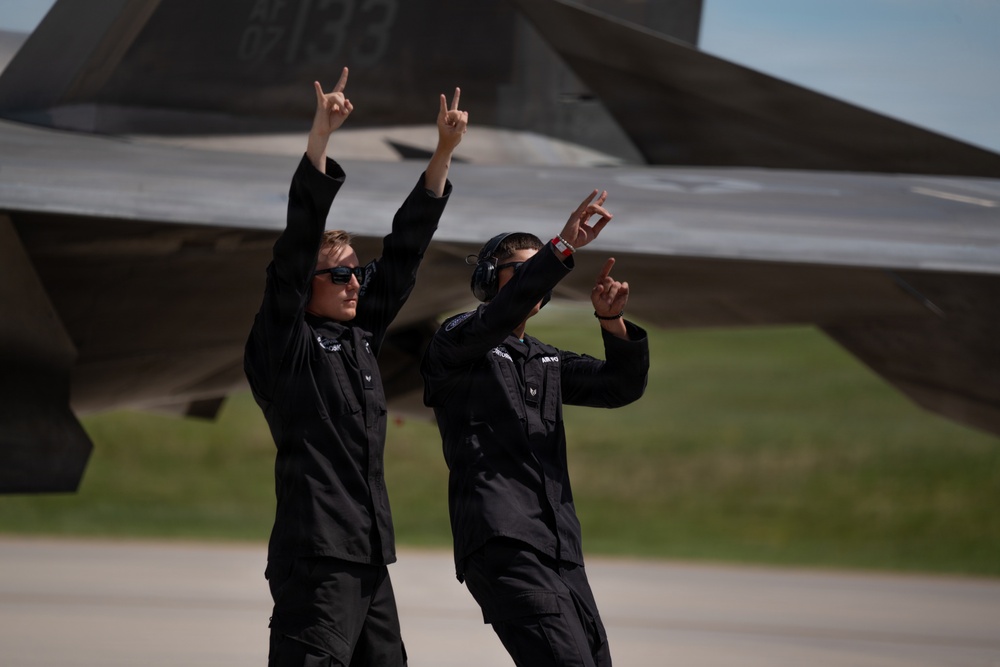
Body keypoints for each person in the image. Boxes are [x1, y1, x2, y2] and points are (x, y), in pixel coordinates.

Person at [244, 67, 468, 667]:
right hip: (315, 557)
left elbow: (403, 252)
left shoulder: (359, 334)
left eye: (355, 273)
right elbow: (292, 254)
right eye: (338, 275)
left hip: (369, 556)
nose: (353, 284)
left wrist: (442, 155)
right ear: (308, 287)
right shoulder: (285, 345)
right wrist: (319, 142)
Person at [420, 191, 650, 667]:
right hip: (503, 540)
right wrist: (562, 247)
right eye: (524, 273)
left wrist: (612, 322)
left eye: (538, 276)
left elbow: (619, 386)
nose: (535, 286)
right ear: (489, 282)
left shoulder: (542, 358)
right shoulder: (459, 339)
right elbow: (499, 315)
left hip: (560, 547)